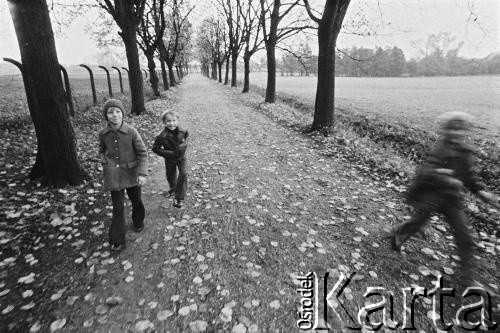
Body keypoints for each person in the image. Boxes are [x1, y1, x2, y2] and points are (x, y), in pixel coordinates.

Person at [392, 112, 498, 284]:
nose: (456, 133)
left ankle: (466, 277)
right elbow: (425, 171)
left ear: (465, 132)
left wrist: (480, 191)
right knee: (417, 223)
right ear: (446, 131)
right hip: (432, 196)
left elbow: (469, 176)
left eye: (460, 130)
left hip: (451, 200)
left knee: (465, 236)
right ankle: (399, 233)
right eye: (452, 129)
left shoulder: (465, 152)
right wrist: (444, 176)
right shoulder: (439, 149)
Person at [98, 99, 148, 251]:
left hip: (132, 174)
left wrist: (142, 173)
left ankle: (138, 221)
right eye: (111, 112)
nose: (115, 115)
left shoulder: (131, 131)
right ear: (106, 116)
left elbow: (143, 153)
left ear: (122, 114)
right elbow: (102, 150)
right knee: (118, 207)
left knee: (136, 201)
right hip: (113, 175)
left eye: (118, 111)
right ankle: (117, 238)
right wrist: (104, 161)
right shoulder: (103, 133)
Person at [152, 110, 189, 208]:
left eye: (174, 120)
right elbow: (155, 149)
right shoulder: (162, 136)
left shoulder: (183, 131)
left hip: (182, 157)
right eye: (168, 121)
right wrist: (170, 153)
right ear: (164, 122)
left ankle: (179, 198)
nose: (171, 123)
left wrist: (183, 147)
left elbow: (186, 139)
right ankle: (173, 189)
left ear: (178, 120)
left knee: (184, 173)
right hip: (170, 159)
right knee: (171, 176)